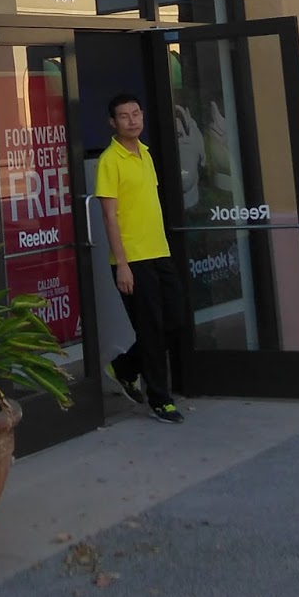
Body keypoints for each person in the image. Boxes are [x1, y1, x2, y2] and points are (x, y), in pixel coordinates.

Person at [94, 93, 184, 424]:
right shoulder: (109, 160)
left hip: (159, 251)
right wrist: (122, 265)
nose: (132, 120)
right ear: (112, 122)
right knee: (151, 329)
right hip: (133, 258)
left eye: (136, 113)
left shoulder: (145, 153)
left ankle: (124, 367)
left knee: (174, 321)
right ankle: (160, 400)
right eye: (124, 116)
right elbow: (109, 217)